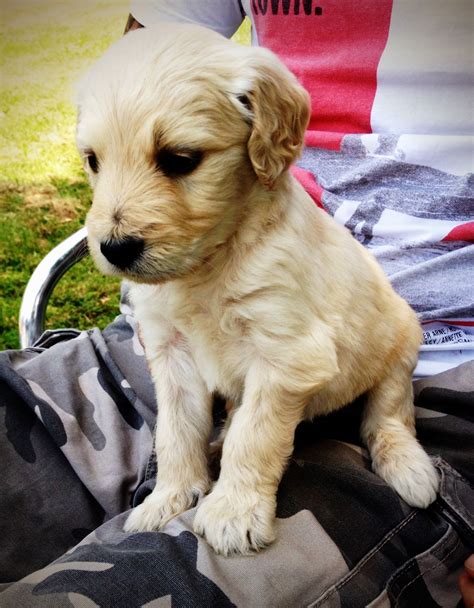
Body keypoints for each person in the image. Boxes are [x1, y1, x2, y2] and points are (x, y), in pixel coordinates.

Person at [1, 2, 473, 606]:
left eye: (179, 162)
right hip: (180, 371)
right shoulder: (174, 213)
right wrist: (178, 479)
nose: (114, 229)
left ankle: (387, 427)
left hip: (444, 368)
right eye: (95, 161)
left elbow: (294, 359)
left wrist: (245, 484)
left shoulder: (276, 240)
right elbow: (170, 350)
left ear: (267, 131)